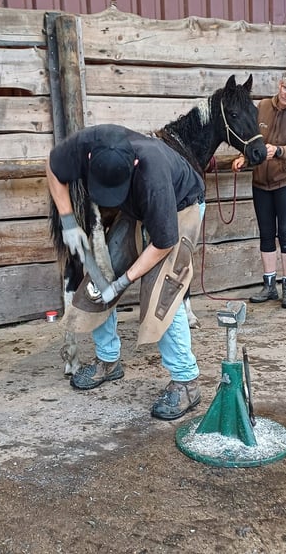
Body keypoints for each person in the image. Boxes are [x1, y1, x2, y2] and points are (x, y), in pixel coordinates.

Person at [46, 124, 207, 420]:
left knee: (163, 293)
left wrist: (123, 281)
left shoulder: (152, 172)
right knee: (98, 278)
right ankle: (109, 361)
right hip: (136, 210)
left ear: (132, 164)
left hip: (181, 207)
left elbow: (163, 242)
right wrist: (69, 222)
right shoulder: (84, 145)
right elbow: (54, 167)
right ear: (90, 158)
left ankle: (186, 381)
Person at [232, 65, 286, 308]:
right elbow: (254, 140)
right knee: (266, 234)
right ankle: (269, 285)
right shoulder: (264, 106)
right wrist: (244, 159)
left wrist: (277, 151)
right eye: (284, 86)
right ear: (279, 83)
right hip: (260, 181)